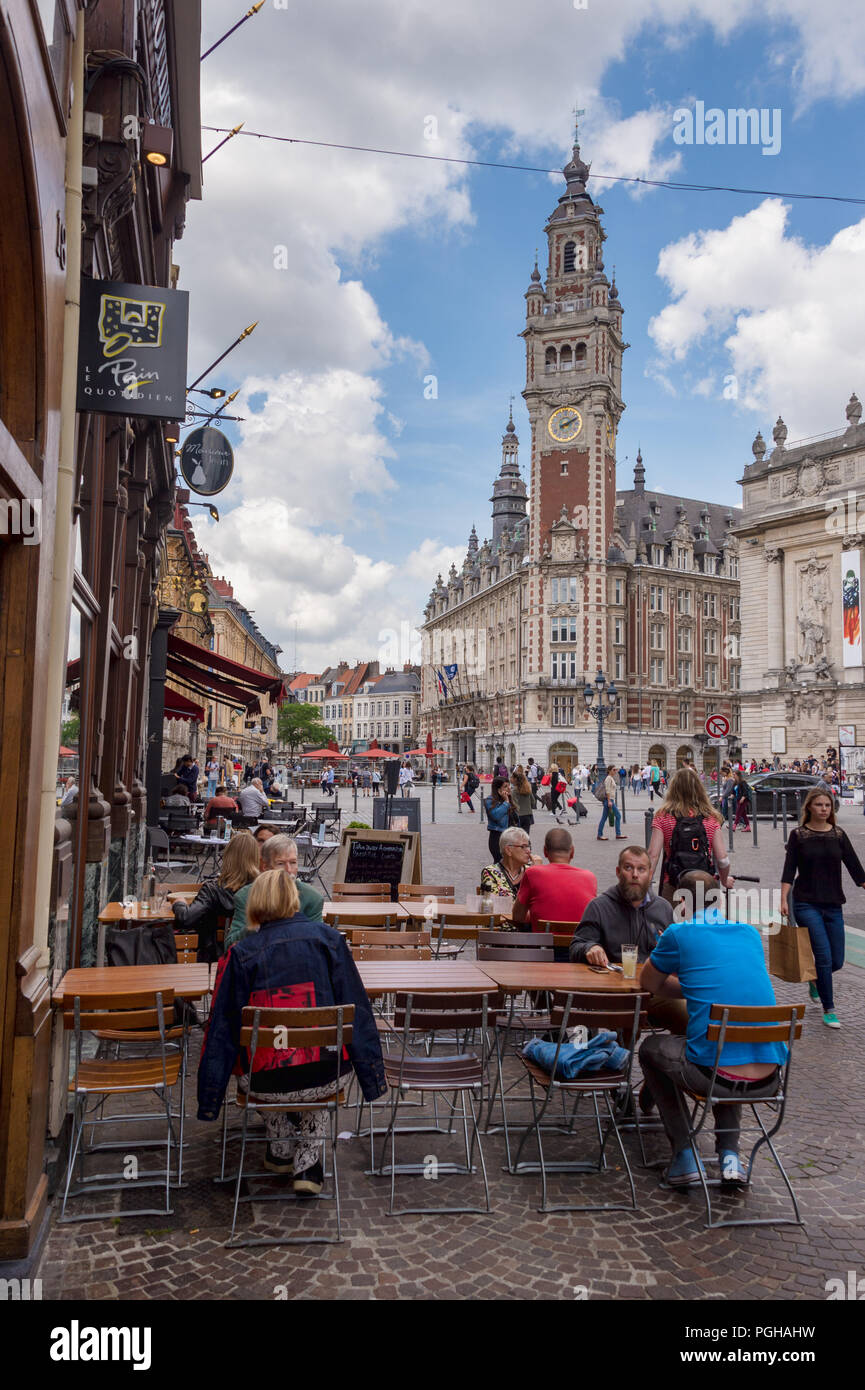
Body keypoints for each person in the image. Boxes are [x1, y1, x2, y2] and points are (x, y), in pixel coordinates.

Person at [198, 870, 386, 1191]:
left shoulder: (241, 955)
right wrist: (372, 1080)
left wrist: (209, 1099)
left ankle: (282, 1142)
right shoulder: (331, 942)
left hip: (263, 1084)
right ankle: (307, 1162)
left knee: (258, 1057)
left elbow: (221, 1030)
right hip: (324, 1078)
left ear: (254, 904)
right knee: (322, 1059)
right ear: (295, 900)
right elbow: (359, 1013)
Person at [638, 871, 786, 1189]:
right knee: (727, 1047)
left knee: (651, 1050)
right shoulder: (749, 933)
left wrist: (687, 983)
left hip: (716, 1076)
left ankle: (684, 1156)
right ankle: (730, 1157)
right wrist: (696, 985)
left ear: (680, 901)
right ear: (720, 901)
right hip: (770, 1077)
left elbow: (648, 984)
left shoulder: (678, 933)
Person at [569, 846, 686, 1035]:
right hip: (613, 991)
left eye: (641, 869)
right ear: (618, 872)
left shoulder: (663, 908)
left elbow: (680, 955)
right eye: (628, 868)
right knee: (625, 1022)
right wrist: (590, 947)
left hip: (654, 991)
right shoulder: (599, 906)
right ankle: (618, 1061)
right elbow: (576, 946)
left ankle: (676, 1061)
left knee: (690, 1015)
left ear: (650, 873)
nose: (635, 875)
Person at [780, 787, 865, 1029]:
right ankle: (830, 1009)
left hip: (833, 904)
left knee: (837, 959)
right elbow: (788, 871)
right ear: (809, 808)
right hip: (806, 903)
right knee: (824, 956)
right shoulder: (799, 835)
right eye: (819, 805)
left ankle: (816, 981)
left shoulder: (838, 834)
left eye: (827, 806)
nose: (824, 809)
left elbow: (856, 868)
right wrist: (784, 899)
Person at [648, 766, 732, 903]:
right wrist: (724, 880)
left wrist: (646, 886)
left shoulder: (663, 816)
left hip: (673, 884)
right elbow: (722, 859)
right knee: (705, 923)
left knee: (674, 923)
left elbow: (653, 855)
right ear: (699, 789)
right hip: (705, 886)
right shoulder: (710, 818)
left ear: (673, 789)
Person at [226, 833, 325, 950]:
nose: (288, 870)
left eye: (293, 862)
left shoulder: (312, 898)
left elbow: (318, 943)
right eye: (280, 864)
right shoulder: (246, 896)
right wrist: (255, 925)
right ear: (265, 866)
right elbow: (230, 945)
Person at [173, 830, 260, 962]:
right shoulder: (263, 888)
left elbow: (186, 919)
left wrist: (179, 903)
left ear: (228, 855)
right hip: (254, 957)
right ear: (256, 857)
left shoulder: (212, 889)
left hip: (213, 959)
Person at [512, 826, 597, 934]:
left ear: (545, 851)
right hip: (578, 947)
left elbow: (517, 917)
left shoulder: (532, 873)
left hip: (543, 947)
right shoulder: (589, 877)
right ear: (572, 851)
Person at [480, 825, 536, 901]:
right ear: (508, 850)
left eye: (528, 846)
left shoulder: (531, 870)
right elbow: (494, 904)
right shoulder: (491, 872)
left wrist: (538, 872)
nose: (528, 851)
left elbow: (542, 901)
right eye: (523, 846)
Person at [483, 775, 512, 863]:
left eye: (509, 786)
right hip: (497, 836)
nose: (508, 788)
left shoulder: (509, 798)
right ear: (498, 789)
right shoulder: (490, 800)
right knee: (500, 863)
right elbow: (496, 816)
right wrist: (506, 802)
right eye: (505, 786)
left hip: (509, 836)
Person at [597, 766, 626, 841]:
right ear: (609, 770)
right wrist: (609, 801)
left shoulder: (611, 778)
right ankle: (618, 834)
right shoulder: (608, 778)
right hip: (609, 800)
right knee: (618, 816)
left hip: (610, 800)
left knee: (604, 818)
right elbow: (607, 790)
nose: (615, 771)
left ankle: (600, 834)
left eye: (616, 769)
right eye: (614, 770)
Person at [509, 765, 534, 832]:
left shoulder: (514, 790)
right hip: (528, 815)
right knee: (526, 835)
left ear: (515, 779)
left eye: (512, 777)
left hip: (518, 816)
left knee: (518, 836)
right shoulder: (528, 788)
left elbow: (514, 804)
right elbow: (533, 802)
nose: (510, 779)